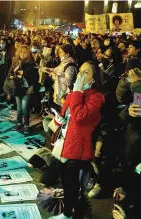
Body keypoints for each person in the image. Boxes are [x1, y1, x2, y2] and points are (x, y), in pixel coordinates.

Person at [49, 61, 105, 219]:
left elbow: (80, 116)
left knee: (73, 184)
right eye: (80, 70)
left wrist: (77, 92)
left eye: (86, 72)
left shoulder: (96, 98)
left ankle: (68, 214)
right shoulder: (77, 93)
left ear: (94, 79)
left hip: (79, 149)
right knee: (66, 181)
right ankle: (73, 211)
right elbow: (66, 111)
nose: (80, 74)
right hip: (65, 143)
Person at [7, 45, 38, 134]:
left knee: (25, 107)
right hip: (17, 88)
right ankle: (19, 122)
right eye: (20, 52)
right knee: (19, 107)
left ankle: (26, 125)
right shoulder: (16, 62)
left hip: (26, 88)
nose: (22, 54)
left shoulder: (31, 63)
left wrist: (32, 86)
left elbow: (35, 77)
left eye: (24, 52)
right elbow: (9, 73)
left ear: (28, 53)